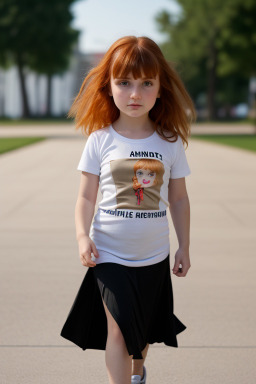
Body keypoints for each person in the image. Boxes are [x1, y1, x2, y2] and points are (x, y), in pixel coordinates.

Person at [60, 35, 196, 384]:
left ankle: (138, 374)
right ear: (109, 86)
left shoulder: (169, 142)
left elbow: (179, 199)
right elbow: (86, 197)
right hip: (109, 254)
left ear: (161, 88)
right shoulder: (100, 140)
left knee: (144, 332)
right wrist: (81, 236)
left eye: (146, 83)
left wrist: (184, 245)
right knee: (118, 330)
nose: (135, 93)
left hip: (153, 255)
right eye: (124, 83)